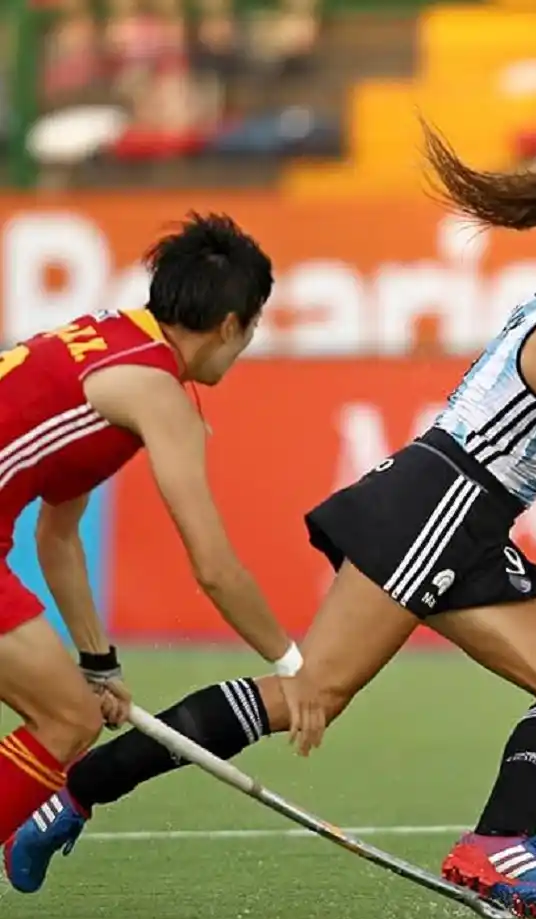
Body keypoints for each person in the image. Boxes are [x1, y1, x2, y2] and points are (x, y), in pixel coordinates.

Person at [6, 127, 536, 919]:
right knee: (308, 690)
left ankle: (495, 846)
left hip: (466, 518)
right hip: (435, 511)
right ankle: (77, 792)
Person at [0, 213, 323, 852]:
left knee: (72, 706)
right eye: (252, 328)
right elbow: (214, 567)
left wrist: (97, 663)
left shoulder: (106, 339)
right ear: (232, 324)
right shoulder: (156, 393)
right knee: (64, 721)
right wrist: (296, 668)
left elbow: (58, 534)